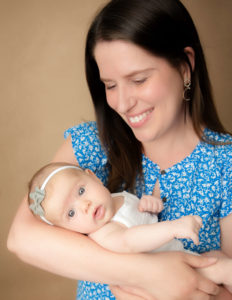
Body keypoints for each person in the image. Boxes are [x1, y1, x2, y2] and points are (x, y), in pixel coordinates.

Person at [7, 0, 232, 299]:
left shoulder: (224, 162)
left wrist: (182, 289)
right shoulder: (95, 143)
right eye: (110, 85)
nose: (123, 104)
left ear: (184, 66)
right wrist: (149, 273)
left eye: (138, 80)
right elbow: (22, 238)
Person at [27, 161, 232, 293]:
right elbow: (131, 240)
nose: (85, 205)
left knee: (219, 258)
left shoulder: (116, 197)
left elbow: (137, 216)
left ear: (93, 176)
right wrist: (173, 227)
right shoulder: (104, 233)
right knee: (224, 269)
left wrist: (149, 205)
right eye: (71, 214)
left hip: (179, 257)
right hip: (167, 277)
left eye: (81, 191)